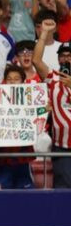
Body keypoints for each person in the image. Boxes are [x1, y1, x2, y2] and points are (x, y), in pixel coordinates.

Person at [32, 19, 71, 188]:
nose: (66, 59)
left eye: (70, 55)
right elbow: (36, 60)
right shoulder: (53, 78)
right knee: (64, 190)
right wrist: (44, 34)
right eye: (62, 56)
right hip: (61, 147)